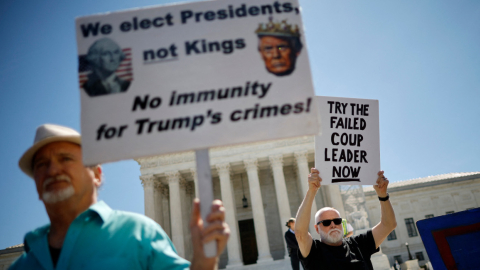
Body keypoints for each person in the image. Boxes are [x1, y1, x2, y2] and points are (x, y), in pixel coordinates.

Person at [10, 124, 229, 270]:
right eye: (41, 165)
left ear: (96, 174)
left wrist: (203, 262)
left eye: (65, 159)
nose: (52, 170)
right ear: (36, 183)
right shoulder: (22, 265)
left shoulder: (139, 234)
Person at [295, 168, 397, 270]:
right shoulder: (314, 251)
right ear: (317, 229)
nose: (333, 225)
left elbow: (389, 225)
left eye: (337, 221)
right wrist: (311, 191)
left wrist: (383, 195)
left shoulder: (359, 244)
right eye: (326, 223)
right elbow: (300, 233)